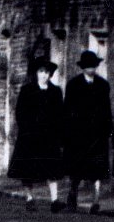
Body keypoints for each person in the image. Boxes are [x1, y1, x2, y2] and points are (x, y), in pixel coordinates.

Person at [6, 57, 69, 210]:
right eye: (41, 71)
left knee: (51, 168)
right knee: (28, 169)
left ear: (50, 74)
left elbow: (60, 114)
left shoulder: (55, 91)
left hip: (49, 136)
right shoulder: (27, 90)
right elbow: (20, 112)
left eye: (47, 72)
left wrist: (59, 134)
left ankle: (55, 200)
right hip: (30, 135)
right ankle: (29, 198)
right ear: (36, 73)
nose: (44, 75)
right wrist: (26, 129)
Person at [62, 50, 113, 212]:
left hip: (98, 134)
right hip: (79, 134)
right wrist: (68, 133)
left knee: (97, 169)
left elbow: (106, 110)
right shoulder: (73, 85)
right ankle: (72, 194)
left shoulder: (103, 85)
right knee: (77, 168)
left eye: (93, 65)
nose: (91, 68)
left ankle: (95, 201)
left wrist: (108, 130)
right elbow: (67, 111)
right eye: (88, 65)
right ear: (83, 67)